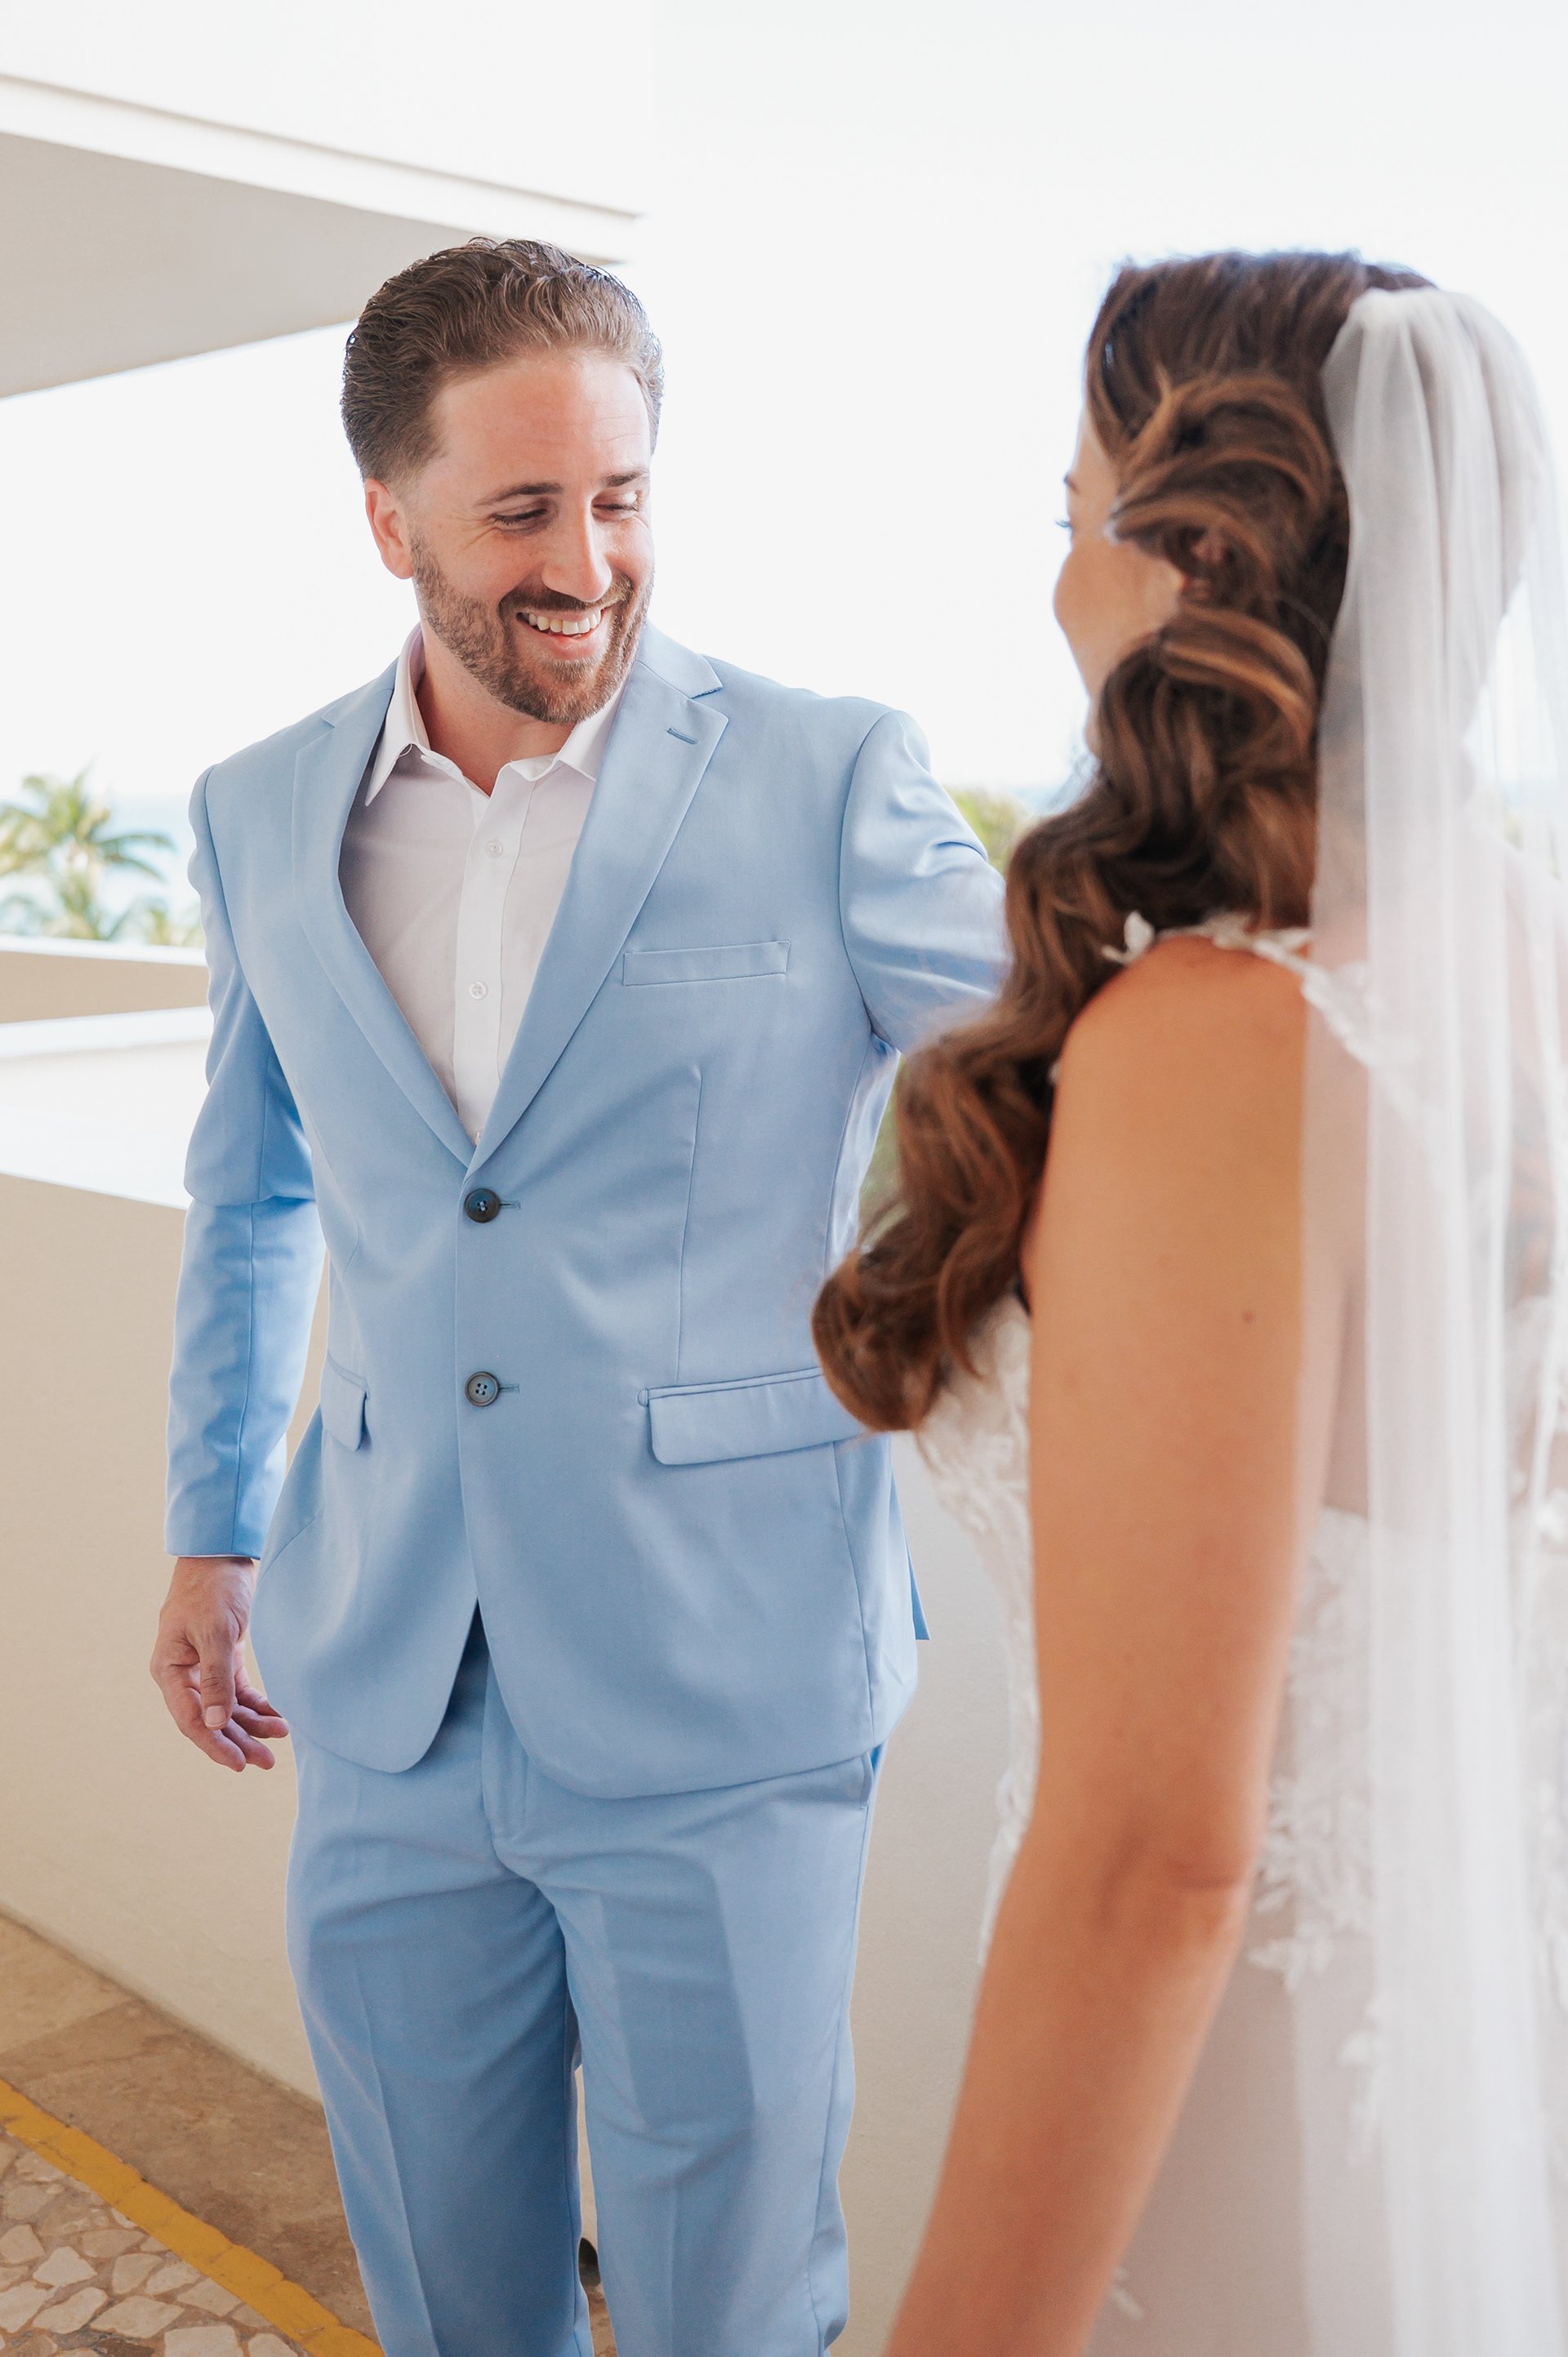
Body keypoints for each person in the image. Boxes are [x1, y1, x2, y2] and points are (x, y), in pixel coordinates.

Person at [149, 238, 1004, 2357]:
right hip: (383, 1683)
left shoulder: (831, 771)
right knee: (450, 2296)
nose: (588, 563)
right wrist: (213, 1526)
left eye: (621, 497)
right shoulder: (259, 812)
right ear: (390, 521)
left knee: (732, 2307)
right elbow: (252, 1186)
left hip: (729, 1675)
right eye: (522, 510)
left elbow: (1053, 1084)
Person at [815, 250, 1568, 2355]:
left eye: (1073, 516)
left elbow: (1160, 1856)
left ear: (1193, 560)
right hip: (1480, 2063)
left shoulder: (1220, 1044)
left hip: (1255, 2141)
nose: (1056, 579)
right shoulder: (1525, 949)